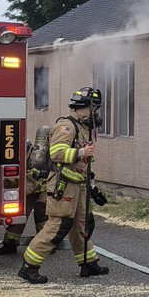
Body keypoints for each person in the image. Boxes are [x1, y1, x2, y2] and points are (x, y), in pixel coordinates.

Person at [19, 87, 110, 283]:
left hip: (78, 185)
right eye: (94, 109)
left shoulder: (82, 127)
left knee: (81, 226)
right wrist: (80, 153)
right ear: (84, 108)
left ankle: (88, 263)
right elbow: (57, 153)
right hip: (63, 186)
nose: (95, 114)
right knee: (58, 226)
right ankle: (29, 266)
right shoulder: (66, 127)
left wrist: (91, 185)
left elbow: (82, 163)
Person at [0, 137, 50, 256]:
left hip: (44, 187)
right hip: (32, 186)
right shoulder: (24, 155)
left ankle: (46, 246)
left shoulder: (38, 155)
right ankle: (10, 244)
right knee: (19, 213)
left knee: (42, 214)